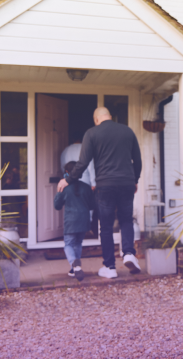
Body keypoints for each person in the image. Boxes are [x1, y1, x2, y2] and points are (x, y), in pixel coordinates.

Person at [57, 107, 142, 279]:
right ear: (109, 116)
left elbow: (82, 163)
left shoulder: (92, 133)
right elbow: (137, 160)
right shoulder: (127, 131)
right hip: (126, 183)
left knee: (106, 227)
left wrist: (68, 180)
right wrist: (135, 180)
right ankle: (128, 253)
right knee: (126, 220)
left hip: (105, 185)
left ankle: (110, 267)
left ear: (96, 119)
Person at [54, 161, 96, 282]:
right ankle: (75, 269)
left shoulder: (64, 188)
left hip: (71, 221)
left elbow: (57, 206)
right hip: (84, 220)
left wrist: (58, 191)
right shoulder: (86, 187)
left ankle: (74, 263)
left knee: (68, 244)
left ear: (67, 173)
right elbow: (93, 205)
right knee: (78, 243)